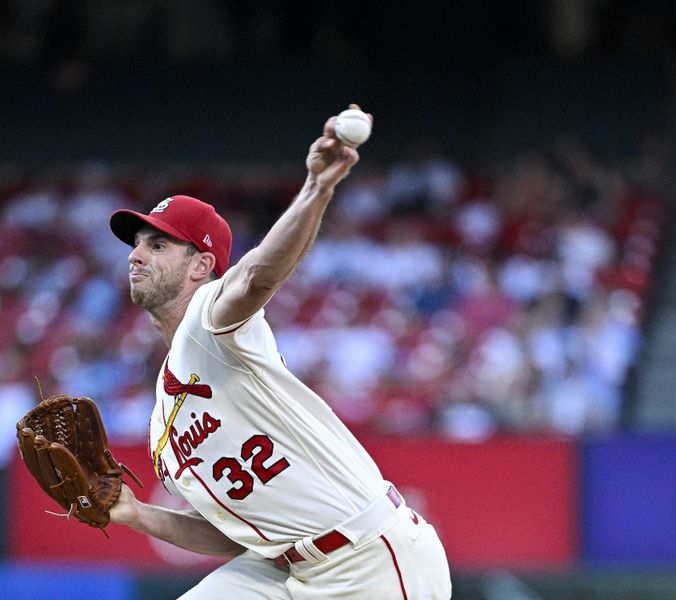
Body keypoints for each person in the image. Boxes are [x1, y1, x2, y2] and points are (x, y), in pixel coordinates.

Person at [106, 105, 452, 599]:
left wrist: (317, 187)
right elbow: (232, 533)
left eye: (159, 245)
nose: (136, 254)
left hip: (368, 559)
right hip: (277, 568)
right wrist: (137, 514)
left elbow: (256, 277)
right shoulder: (163, 420)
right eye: (137, 243)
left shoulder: (212, 319)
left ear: (202, 265)